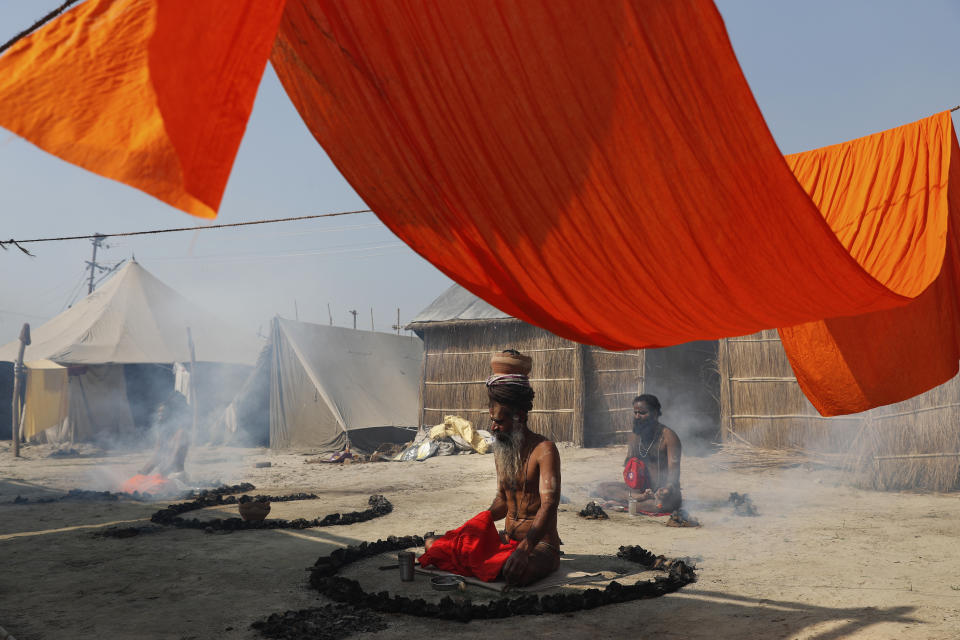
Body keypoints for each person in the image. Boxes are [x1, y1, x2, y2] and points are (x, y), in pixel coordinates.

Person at [419, 350, 562, 587]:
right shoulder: (502, 450)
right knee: (435, 544)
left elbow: (549, 505)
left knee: (515, 572)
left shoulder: (544, 449)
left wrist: (525, 548)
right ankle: (493, 557)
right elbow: (503, 500)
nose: (493, 428)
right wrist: (477, 523)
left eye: (499, 422)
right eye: (492, 421)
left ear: (519, 417)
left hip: (539, 546)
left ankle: (510, 560)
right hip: (506, 540)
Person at [593, 393, 682, 512]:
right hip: (639, 490)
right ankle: (635, 500)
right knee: (602, 488)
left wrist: (668, 488)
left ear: (655, 414)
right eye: (635, 413)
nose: (637, 416)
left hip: (661, 493)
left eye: (642, 413)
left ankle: (625, 505)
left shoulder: (668, 436)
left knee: (661, 504)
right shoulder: (635, 436)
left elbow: (674, 472)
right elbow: (629, 467)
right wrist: (634, 485)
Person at [139, 390, 192, 479]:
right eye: (159, 412)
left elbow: (174, 459)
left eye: (163, 412)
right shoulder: (163, 432)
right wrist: (142, 474)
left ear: (171, 413)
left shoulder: (181, 433)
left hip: (176, 476)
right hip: (165, 476)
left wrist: (160, 477)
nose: (160, 414)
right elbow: (156, 457)